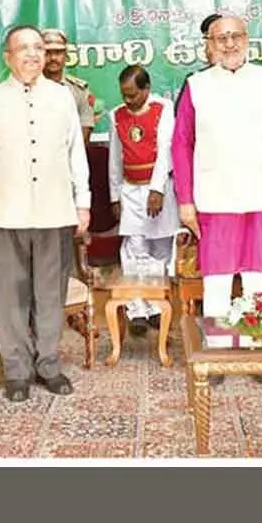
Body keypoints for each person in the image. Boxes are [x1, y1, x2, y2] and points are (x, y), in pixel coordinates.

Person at [171, 14, 262, 387]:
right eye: (220, 39)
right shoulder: (196, 86)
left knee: (258, 279)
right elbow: (181, 144)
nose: (229, 44)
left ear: (247, 39)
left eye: (235, 37)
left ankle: (257, 354)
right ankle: (220, 354)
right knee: (216, 280)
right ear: (208, 45)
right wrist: (185, 200)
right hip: (214, 197)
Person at [0, 24, 92, 402]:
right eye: (23, 48)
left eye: (38, 47)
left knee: (50, 294)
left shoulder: (62, 97)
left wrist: (82, 201)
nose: (33, 55)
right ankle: (17, 370)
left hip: (55, 210)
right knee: (12, 294)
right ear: (8, 57)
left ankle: (48, 365)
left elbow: (75, 154)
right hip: (6, 212)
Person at [108, 64, 179, 329]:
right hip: (131, 191)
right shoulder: (117, 115)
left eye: (133, 95)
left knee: (160, 249)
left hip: (158, 191)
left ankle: (155, 305)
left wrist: (157, 189)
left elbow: (165, 151)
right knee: (134, 248)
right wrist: (115, 196)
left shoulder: (163, 109)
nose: (128, 100)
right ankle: (136, 309)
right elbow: (115, 160)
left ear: (146, 89)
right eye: (124, 94)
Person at [41, 28, 98, 144]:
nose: (53, 58)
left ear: (66, 55)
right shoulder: (27, 88)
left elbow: (85, 130)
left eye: (58, 52)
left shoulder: (79, 90)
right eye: (48, 52)